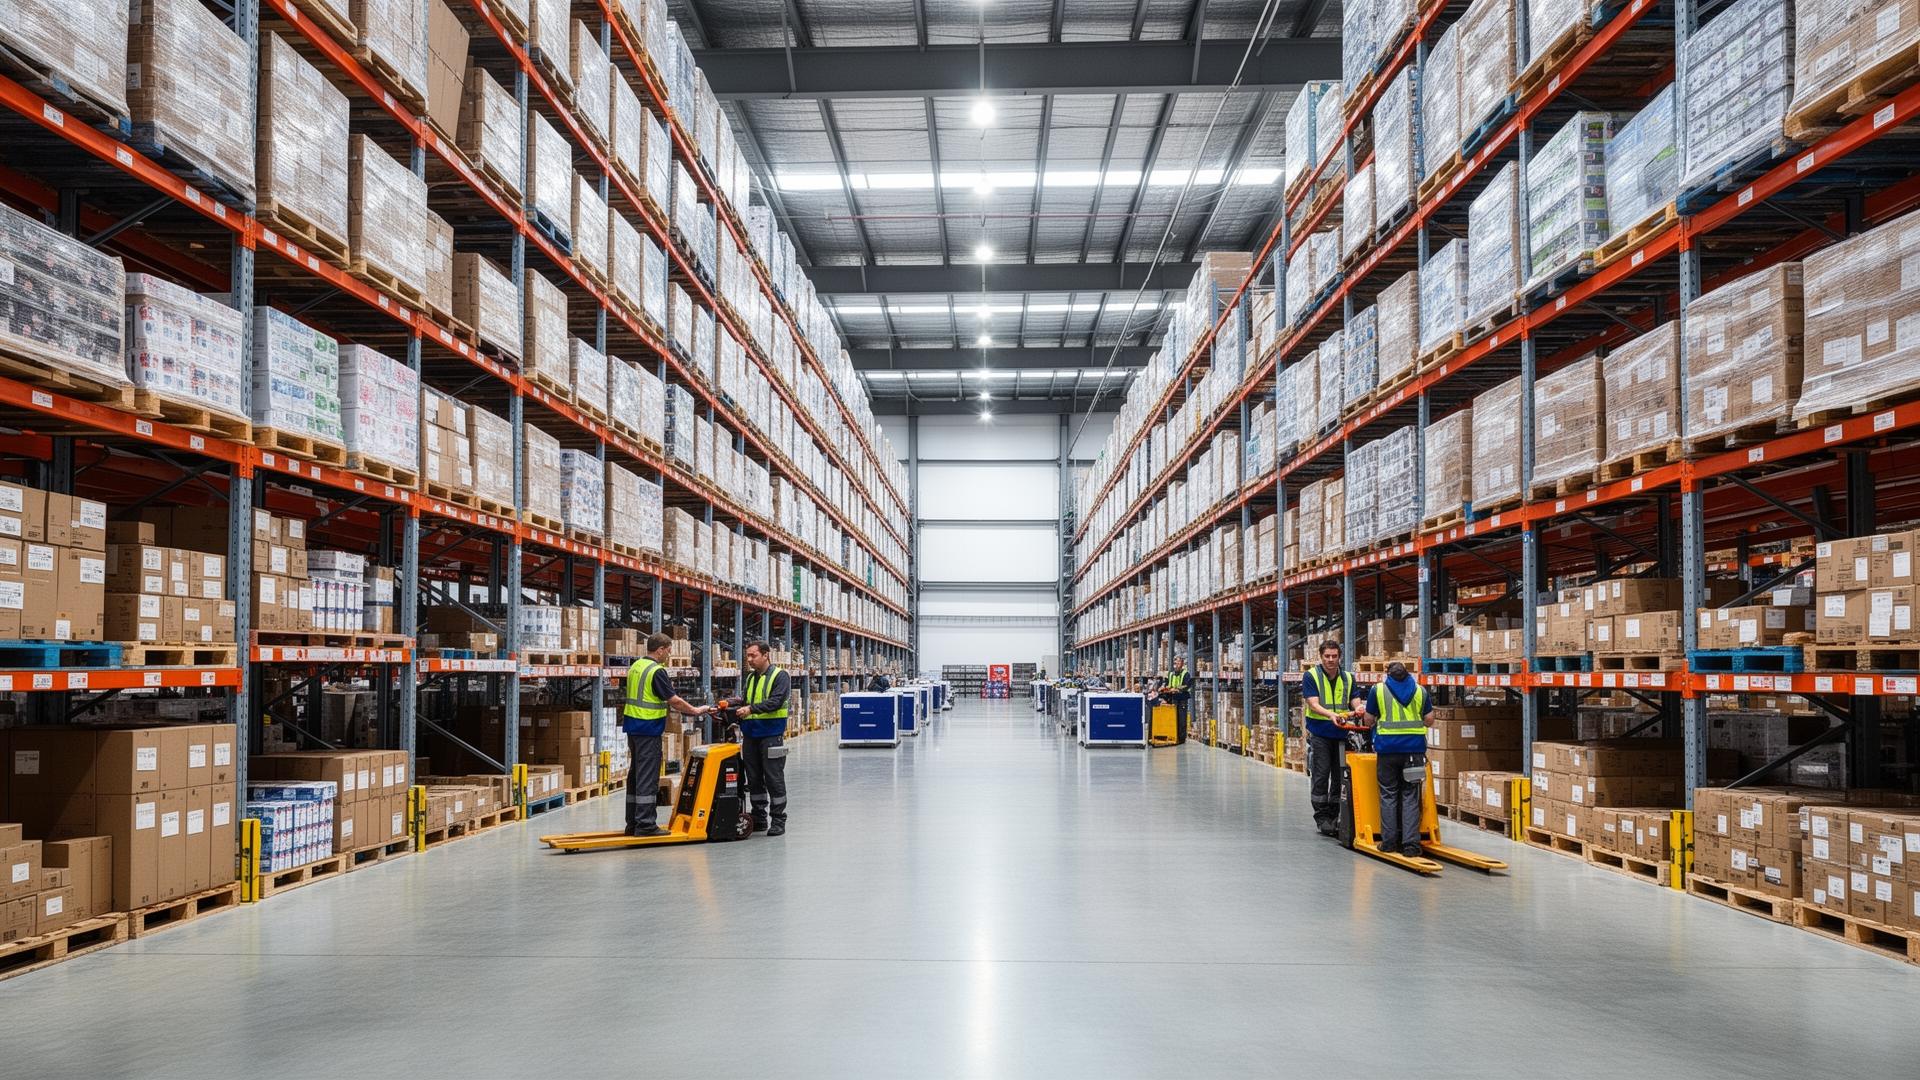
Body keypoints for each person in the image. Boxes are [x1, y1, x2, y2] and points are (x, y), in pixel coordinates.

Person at [622, 632, 710, 837]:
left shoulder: (636, 666)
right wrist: (696, 711)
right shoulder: (656, 671)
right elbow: (675, 701)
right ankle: (645, 824)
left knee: (635, 775)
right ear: (660, 649)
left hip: (633, 727)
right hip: (648, 728)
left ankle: (633, 823)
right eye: (668, 651)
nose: (669, 655)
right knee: (647, 776)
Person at [711, 640, 792, 836]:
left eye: (753, 655)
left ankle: (778, 820)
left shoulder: (779, 676)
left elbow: (775, 701)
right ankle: (759, 818)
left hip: (771, 735)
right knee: (753, 779)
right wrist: (727, 704)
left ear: (765, 655)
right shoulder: (751, 678)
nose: (749, 660)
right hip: (751, 735)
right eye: (747, 656)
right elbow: (746, 700)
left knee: (773, 778)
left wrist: (750, 709)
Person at [1363, 662, 1434, 857]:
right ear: (1408, 674)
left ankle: (1389, 842)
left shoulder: (1378, 690)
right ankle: (1411, 845)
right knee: (1410, 795)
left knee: (1388, 794)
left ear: (1388, 675)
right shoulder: (1420, 691)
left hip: (1387, 750)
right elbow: (1429, 719)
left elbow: (1368, 719)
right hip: (1414, 751)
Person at [1301, 639, 1366, 837]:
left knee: (1340, 776)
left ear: (1339, 657)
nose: (1331, 660)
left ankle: (1336, 813)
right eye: (1327, 656)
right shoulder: (1311, 676)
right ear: (1320, 657)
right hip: (1321, 734)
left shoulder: (1347, 677)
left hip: (1342, 733)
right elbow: (1313, 703)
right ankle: (1322, 817)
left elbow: (1353, 698)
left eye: (1334, 656)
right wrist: (1331, 715)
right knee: (1321, 775)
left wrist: (1358, 707)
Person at [1152, 654, 1193, 744]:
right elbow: (1166, 683)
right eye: (1175, 663)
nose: (1176, 665)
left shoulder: (1186, 674)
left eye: (1178, 663)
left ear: (1182, 664)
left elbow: (1187, 685)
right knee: (1173, 718)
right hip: (1173, 698)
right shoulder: (1170, 673)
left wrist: (1178, 689)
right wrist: (1163, 687)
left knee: (1182, 719)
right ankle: (1174, 735)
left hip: (1182, 698)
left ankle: (1181, 739)